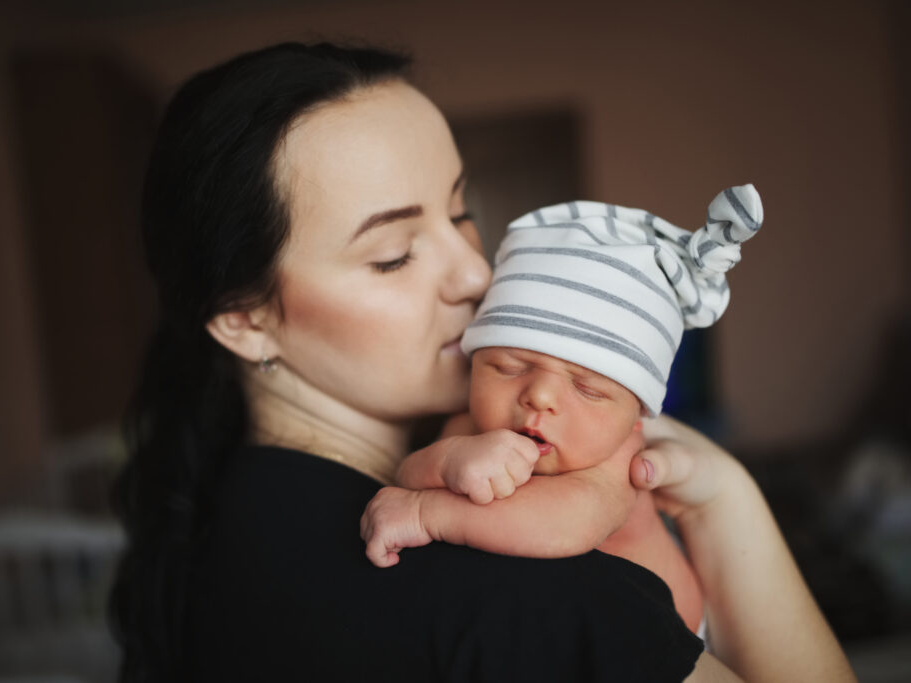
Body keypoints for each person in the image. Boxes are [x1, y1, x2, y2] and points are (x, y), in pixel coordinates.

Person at [108, 41, 856, 682]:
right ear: (244, 319)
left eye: (461, 210)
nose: (474, 271)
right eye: (394, 255)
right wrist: (728, 502)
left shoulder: (231, 516)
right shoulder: (533, 589)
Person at [360, 186, 765, 635]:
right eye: (509, 367)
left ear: (637, 415)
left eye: (588, 388)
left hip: (669, 643)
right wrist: (450, 461)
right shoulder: (471, 424)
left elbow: (561, 529)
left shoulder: (618, 458)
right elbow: (410, 475)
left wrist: (424, 515)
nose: (541, 397)